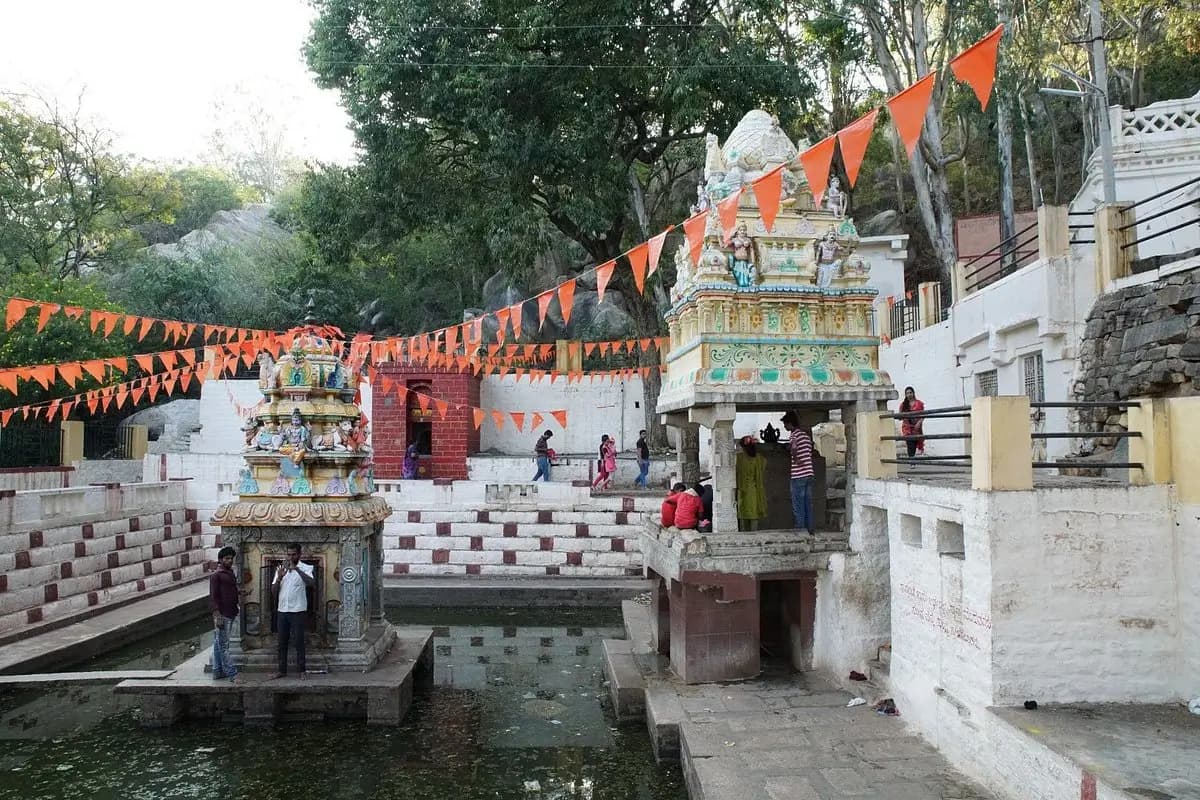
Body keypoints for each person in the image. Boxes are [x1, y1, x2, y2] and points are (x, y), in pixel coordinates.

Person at [272, 543, 315, 680]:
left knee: (299, 642)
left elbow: (311, 583)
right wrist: (279, 578)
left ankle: (302, 670)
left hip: (298, 611)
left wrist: (296, 569)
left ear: (299, 554)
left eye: (293, 554)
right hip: (282, 611)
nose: (290, 557)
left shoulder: (306, 568)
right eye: (288, 554)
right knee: (282, 642)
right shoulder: (280, 569)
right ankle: (282, 670)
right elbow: (273, 592)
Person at [781, 411, 815, 534]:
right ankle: (810, 529)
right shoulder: (805, 436)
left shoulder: (794, 435)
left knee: (798, 504)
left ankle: (800, 529)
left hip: (798, 475)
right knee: (807, 503)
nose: (785, 427)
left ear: (790, 423)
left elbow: (794, 447)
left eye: (785, 424)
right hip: (809, 473)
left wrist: (795, 458)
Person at [209, 546, 239, 682]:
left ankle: (217, 671)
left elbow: (230, 591)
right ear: (220, 560)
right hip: (222, 615)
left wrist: (240, 593)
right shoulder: (216, 575)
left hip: (230, 612)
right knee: (223, 646)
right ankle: (232, 674)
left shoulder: (229, 572)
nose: (230, 561)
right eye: (227, 558)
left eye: (231, 558)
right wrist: (217, 615)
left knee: (218, 643)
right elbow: (213, 597)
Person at [735, 436, 768, 531]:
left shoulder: (739, 458)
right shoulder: (759, 459)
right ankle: (754, 534)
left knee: (743, 515)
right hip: (754, 490)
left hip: (742, 490)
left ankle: (744, 535)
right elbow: (763, 466)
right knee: (754, 514)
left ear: (743, 447)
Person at [900, 386, 926, 457]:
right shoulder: (903, 405)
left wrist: (919, 423)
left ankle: (912, 459)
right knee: (910, 444)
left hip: (917, 428)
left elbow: (923, 415)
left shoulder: (919, 403)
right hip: (907, 428)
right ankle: (911, 460)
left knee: (914, 444)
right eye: (907, 393)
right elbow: (900, 417)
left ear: (913, 393)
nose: (909, 394)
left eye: (910, 392)